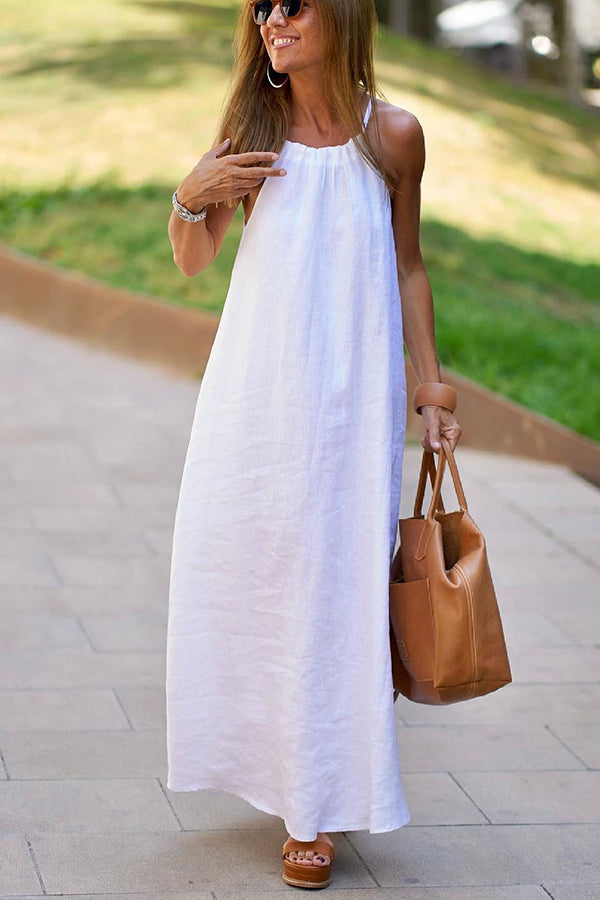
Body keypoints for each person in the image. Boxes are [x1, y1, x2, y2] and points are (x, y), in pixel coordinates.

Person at [165, 0, 462, 890]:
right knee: (254, 581)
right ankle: (266, 767)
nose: (274, 20)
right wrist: (190, 197)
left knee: (336, 590)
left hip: (352, 408)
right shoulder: (252, 128)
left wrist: (432, 387)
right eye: (262, 8)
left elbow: (409, 266)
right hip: (255, 400)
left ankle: (315, 806)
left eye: (292, 4)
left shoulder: (394, 137)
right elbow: (192, 258)